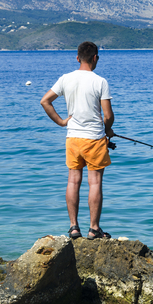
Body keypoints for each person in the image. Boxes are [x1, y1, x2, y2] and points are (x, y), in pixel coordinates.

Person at [40, 41, 114, 240]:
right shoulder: (100, 81)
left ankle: (73, 227)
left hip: (72, 138)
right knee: (95, 183)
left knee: (73, 181)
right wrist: (108, 131)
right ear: (95, 58)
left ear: (77, 57)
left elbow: (45, 101)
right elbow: (108, 115)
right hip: (94, 139)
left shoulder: (65, 79)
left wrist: (62, 122)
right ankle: (94, 229)